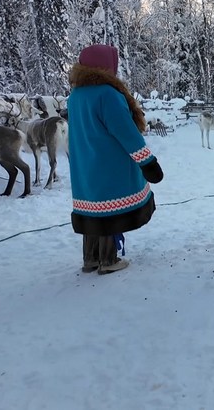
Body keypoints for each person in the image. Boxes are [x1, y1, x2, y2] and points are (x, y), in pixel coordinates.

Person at [67, 44, 164, 274]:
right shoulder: (108, 95)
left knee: (92, 209)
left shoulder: (75, 96)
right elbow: (126, 133)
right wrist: (148, 163)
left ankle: (90, 258)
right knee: (107, 212)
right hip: (108, 165)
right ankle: (108, 260)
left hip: (84, 166)